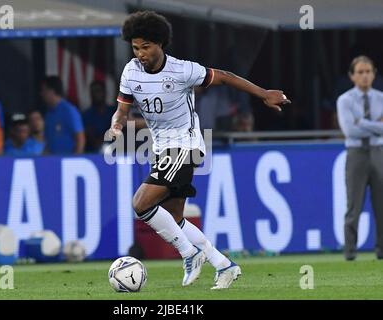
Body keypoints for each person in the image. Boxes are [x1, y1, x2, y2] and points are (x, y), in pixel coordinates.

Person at [109, 11, 290, 289]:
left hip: (186, 144)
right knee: (175, 218)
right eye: (135, 47)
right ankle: (223, 265)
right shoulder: (131, 71)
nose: (140, 53)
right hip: (161, 148)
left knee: (141, 204)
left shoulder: (183, 70)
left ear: (160, 44)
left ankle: (189, 253)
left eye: (146, 46)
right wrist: (117, 126)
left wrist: (264, 93)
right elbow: (121, 110)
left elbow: (226, 77)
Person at [337, 55, 383, 261]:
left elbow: (358, 127)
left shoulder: (381, 98)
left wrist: (361, 122)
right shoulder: (345, 100)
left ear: (374, 74)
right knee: (353, 205)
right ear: (352, 76)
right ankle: (350, 252)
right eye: (360, 72)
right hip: (356, 154)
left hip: (377, 151)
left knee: (381, 204)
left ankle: (381, 250)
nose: (365, 76)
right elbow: (350, 131)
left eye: (368, 72)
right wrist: (375, 126)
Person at [41, 76, 85, 155]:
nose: (42, 94)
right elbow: (48, 142)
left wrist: (76, 161)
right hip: (53, 162)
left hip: (69, 162)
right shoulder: (48, 114)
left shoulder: (69, 110)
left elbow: (80, 139)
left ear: (51, 91)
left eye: (44, 90)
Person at [83, 81, 116, 152]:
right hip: (93, 153)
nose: (95, 94)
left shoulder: (113, 111)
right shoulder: (86, 114)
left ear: (105, 92)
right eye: (93, 92)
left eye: (98, 91)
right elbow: (89, 135)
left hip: (115, 152)